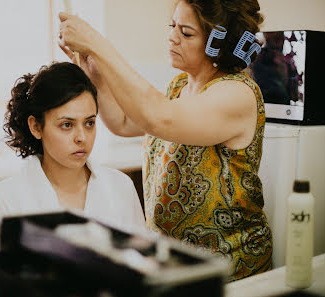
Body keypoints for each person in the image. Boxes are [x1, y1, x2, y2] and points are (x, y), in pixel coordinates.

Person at [58, 0, 272, 280]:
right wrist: (96, 78)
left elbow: (159, 118)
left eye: (186, 33)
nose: (172, 37)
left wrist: (98, 44)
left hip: (232, 267)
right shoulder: (179, 86)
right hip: (179, 264)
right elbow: (123, 123)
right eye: (173, 26)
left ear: (217, 44)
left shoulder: (238, 93)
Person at [0, 62, 146, 253]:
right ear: (36, 127)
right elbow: (6, 279)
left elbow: (144, 266)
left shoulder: (120, 186)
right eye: (67, 125)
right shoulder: (6, 197)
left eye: (89, 123)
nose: (82, 138)